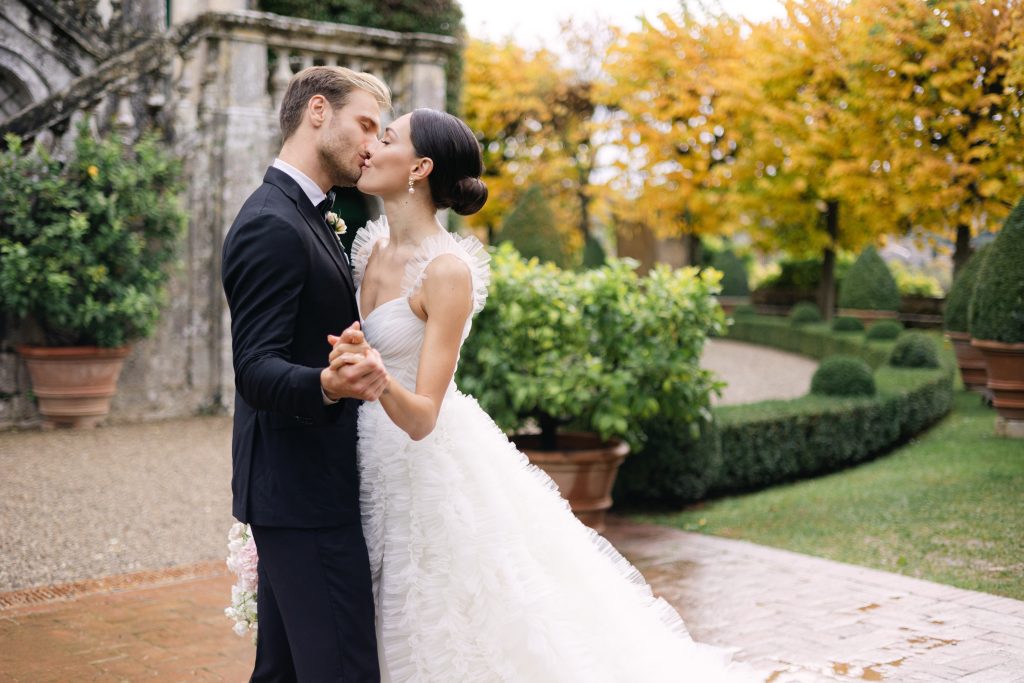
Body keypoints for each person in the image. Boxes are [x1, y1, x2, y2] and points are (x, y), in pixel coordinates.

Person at [331, 108, 756, 681]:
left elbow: (424, 416)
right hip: (366, 453)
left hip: (422, 462)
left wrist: (376, 376)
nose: (370, 148)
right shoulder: (370, 245)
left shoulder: (446, 271)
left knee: (443, 617)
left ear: (420, 167)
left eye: (386, 138)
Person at [221, 66, 392, 683]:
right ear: (317, 111)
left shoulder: (314, 213)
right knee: (343, 668)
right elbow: (255, 369)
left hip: (302, 486)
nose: (373, 144)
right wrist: (327, 383)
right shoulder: (273, 221)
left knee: (287, 673)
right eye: (365, 124)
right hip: (303, 494)